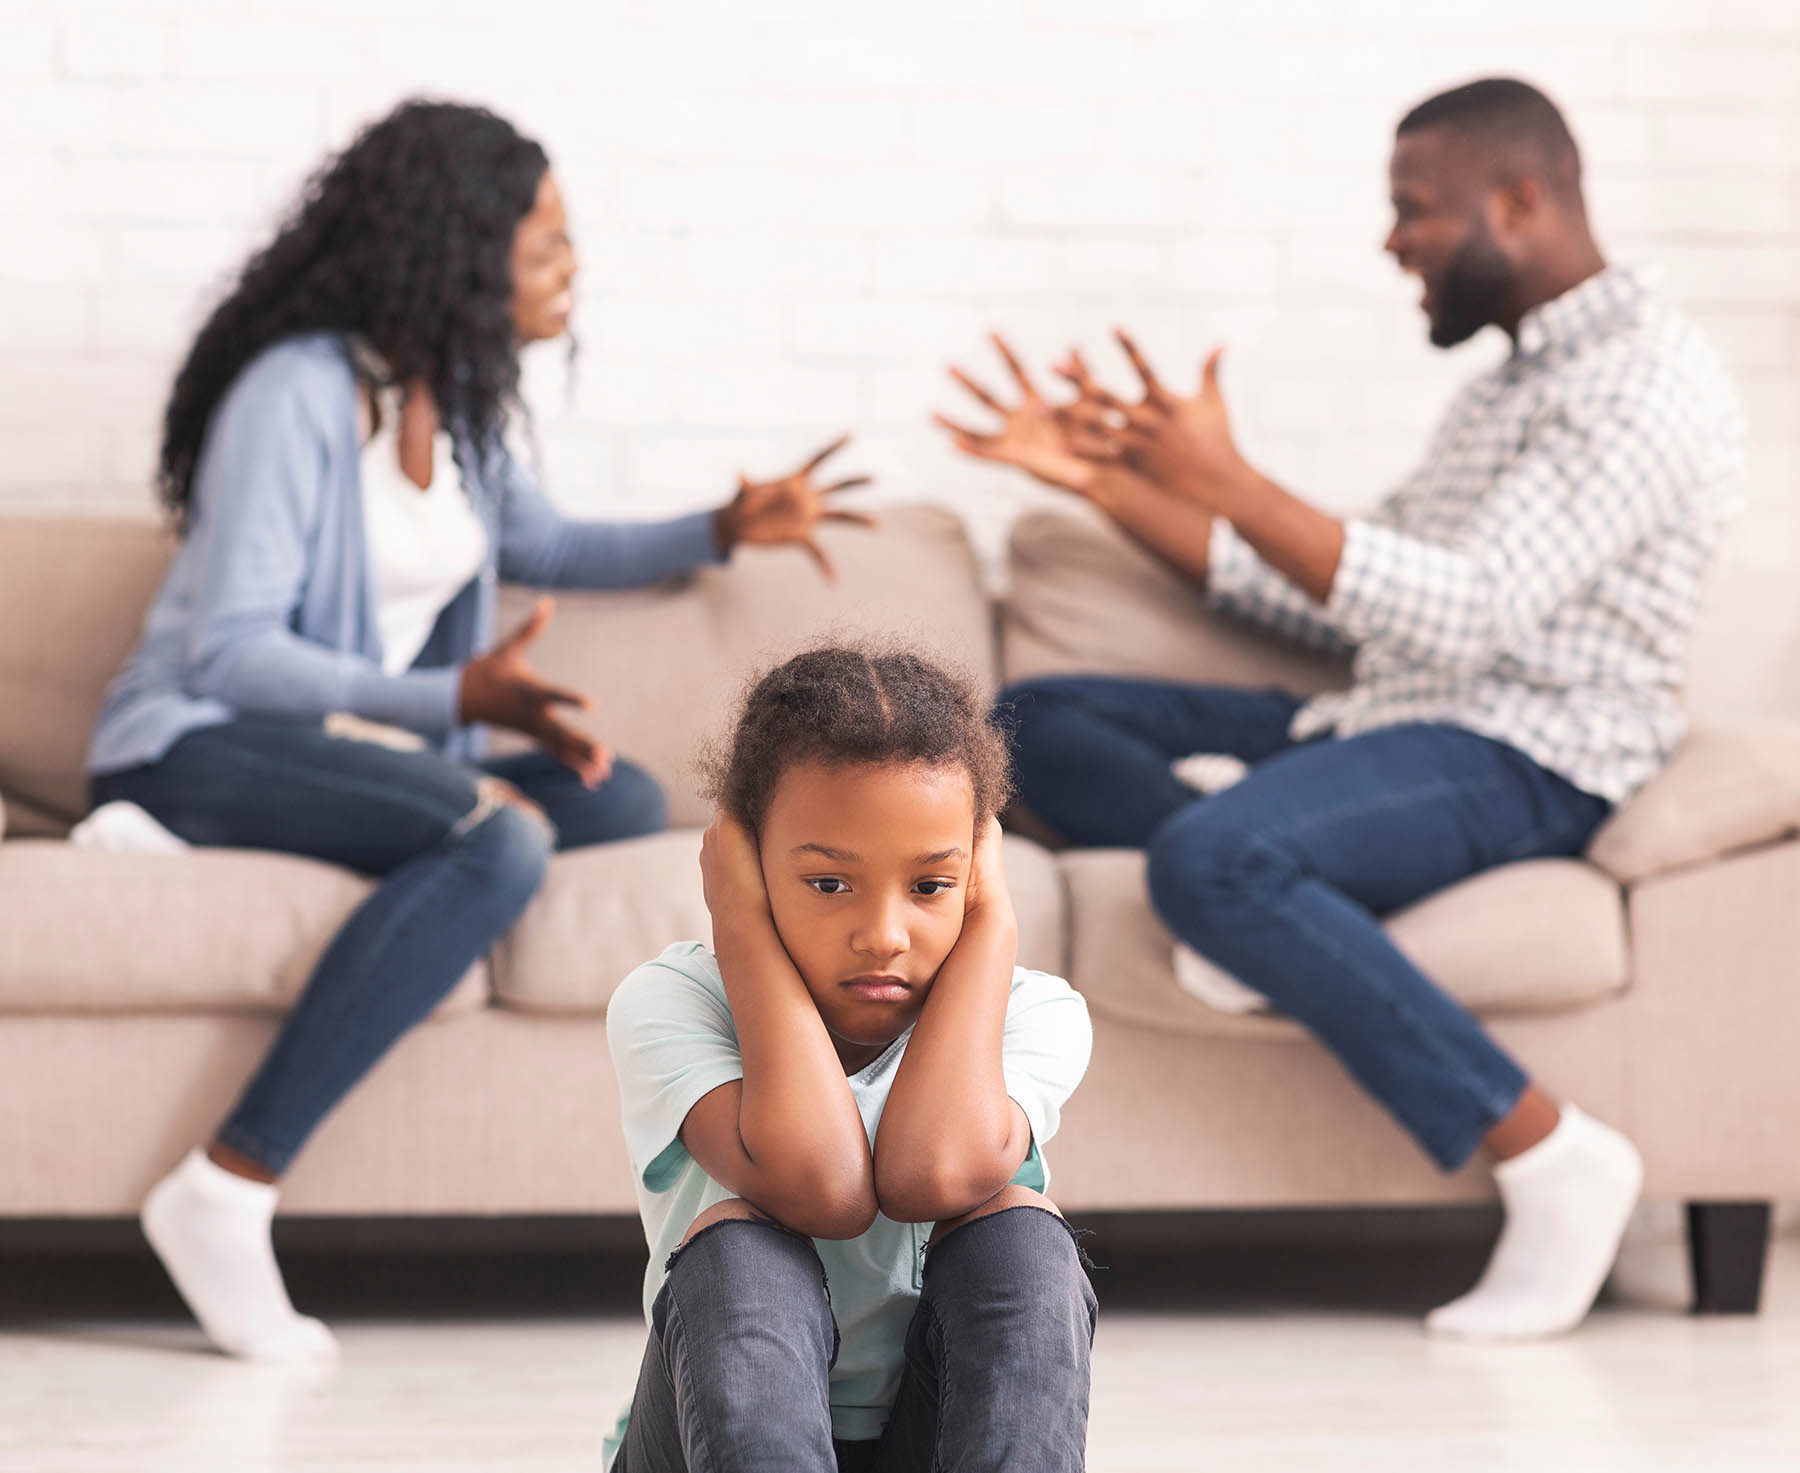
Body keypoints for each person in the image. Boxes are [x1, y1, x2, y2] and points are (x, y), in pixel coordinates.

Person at [937, 77, 1748, 1340]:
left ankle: (1550, 1152)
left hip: (1533, 749)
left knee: (1212, 858)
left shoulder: (1646, 386)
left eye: (1413, 210)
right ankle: (1271, 864)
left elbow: (1468, 607)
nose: (1394, 242)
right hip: (1388, 717)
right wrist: (1108, 483)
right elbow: (1346, 594)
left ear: (1518, 200)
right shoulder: (1509, 389)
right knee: (1025, 721)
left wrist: (1237, 479)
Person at [85, 99, 872, 1361]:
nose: (574, 269)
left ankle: (253, 844)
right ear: (457, 250)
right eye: (548, 243)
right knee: (497, 841)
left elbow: (544, 543)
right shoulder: (294, 397)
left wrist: (723, 529)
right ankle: (227, 1183)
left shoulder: (449, 397)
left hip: (358, 755)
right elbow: (232, 651)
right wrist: (459, 702)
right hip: (197, 740)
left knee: (612, 800)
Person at [605, 646, 1095, 1471]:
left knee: (1023, 1238)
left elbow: (934, 1171)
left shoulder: (1034, 1012)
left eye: (932, 887)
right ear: (749, 862)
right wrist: (741, 927)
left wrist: (995, 929)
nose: (884, 935)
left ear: (978, 871)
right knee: (739, 1249)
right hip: (708, 1449)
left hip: (930, 1438)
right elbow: (820, 1184)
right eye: (830, 884)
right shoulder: (671, 1000)